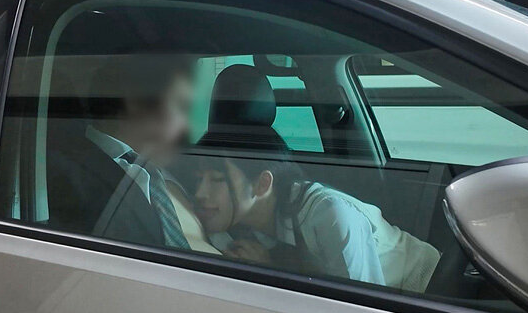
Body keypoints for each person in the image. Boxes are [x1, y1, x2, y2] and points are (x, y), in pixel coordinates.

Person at [191, 132, 441, 292]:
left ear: (262, 184)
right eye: (199, 179)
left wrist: (271, 269)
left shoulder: (329, 214)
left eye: (217, 180)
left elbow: (360, 311)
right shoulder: (238, 225)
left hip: (430, 293)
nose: (200, 193)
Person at [46, 55, 218, 254]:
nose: (187, 125)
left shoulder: (161, 167)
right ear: (136, 102)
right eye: (181, 106)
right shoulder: (69, 178)